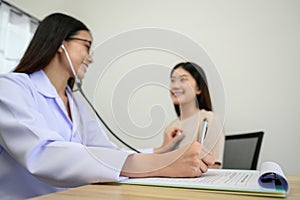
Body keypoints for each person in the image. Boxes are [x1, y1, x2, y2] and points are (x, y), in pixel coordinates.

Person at [0, 13, 214, 199]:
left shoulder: (75, 104)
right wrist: (163, 163)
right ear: (60, 44)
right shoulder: (11, 88)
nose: (91, 58)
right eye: (86, 46)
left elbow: (107, 152)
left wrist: (159, 151)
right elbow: (43, 154)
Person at [155, 62, 225, 168]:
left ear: (198, 89)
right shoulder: (170, 128)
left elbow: (213, 167)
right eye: (173, 80)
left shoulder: (209, 120)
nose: (175, 86)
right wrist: (164, 148)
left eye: (183, 80)